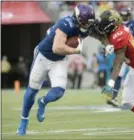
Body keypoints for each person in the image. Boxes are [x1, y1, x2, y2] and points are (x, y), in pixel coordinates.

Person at [17, 4, 95, 136]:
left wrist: (107, 46)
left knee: (59, 92)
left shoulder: (88, 26)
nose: (86, 25)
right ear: (76, 18)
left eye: (88, 22)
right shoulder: (65, 24)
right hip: (43, 56)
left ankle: (43, 101)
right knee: (32, 91)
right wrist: (76, 50)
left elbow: (99, 34)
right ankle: (23, 121)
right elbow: (57, 48)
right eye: (84, 21)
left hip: (58, 61)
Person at [106, 7, 134, 106]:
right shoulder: (116, 25)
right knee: (118, 74)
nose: (123, 17)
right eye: (122, 15)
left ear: (129, 15)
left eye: (125, 15)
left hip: (133, 53)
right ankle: (113, 97)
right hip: (122, 53)